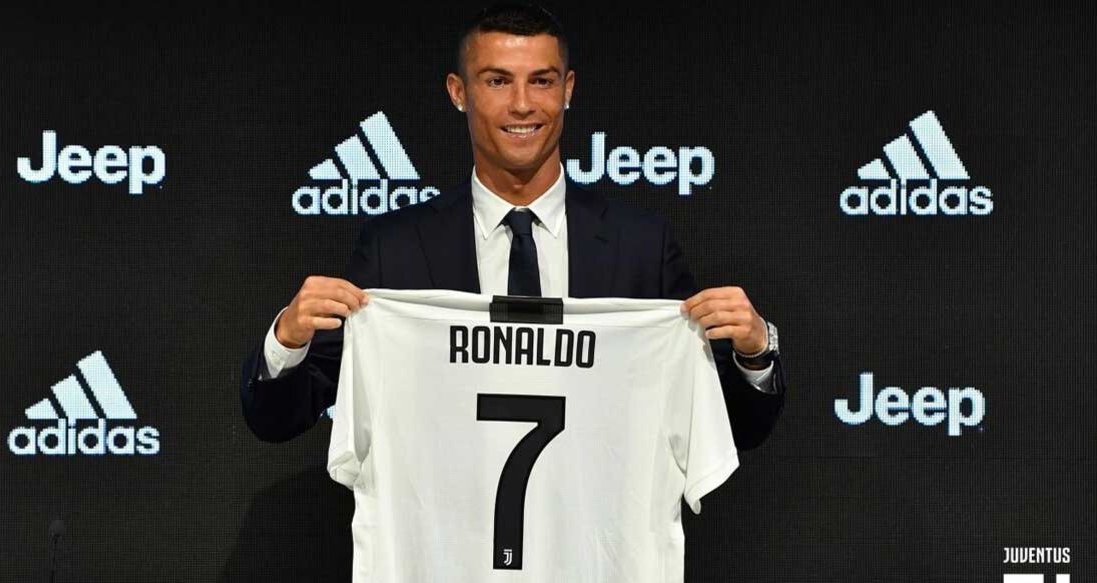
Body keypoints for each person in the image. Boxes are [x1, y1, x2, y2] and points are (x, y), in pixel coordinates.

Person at [241, 2, 784, 450]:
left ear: (568, 89)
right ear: (459, 92)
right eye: (498, 81)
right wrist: (287, 341)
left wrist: (754, 353)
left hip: (595, 545)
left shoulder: (640, 245)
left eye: (541, 81)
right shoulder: (395, 249)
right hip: (446, 546)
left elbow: (730, 427)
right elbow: (277, 420)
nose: (522, 104)